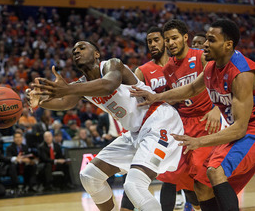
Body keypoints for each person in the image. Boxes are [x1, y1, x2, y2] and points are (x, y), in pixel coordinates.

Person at [130, 19, 255, 211]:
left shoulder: (242, 75)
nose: (204, 44)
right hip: (236, 128)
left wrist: (199, 141)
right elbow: (190, 89)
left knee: (215, 171)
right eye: (206, 39)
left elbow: (240, 128)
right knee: (202, 184)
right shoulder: (211, 67)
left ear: (228, 44)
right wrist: (156, 96)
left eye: (211, 40)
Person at [28, 40, 184, 210]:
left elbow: (109, 85)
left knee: (134, 186)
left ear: (96, 54)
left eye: (82, 47)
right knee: (90, 176)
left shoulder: (112, 65)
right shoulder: (80, 86)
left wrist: (68, 89)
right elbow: (65, 102)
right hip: (136, 132)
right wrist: (40, 102)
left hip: (159, 122)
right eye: (74, 50)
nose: (76, 51)